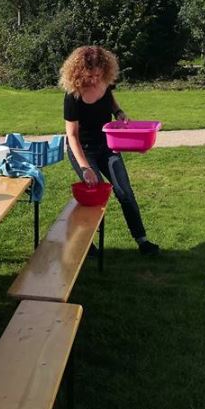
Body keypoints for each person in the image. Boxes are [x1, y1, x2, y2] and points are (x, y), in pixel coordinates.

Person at [59, 45, 159, 256]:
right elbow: (72, 136)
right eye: (90, 75)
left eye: (98, 75)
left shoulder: (105, 82)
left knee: (125, 192)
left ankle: (142, 240)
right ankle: (87, 244)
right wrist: (85, 168)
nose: (95, 80)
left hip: (107, 146)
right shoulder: (73, 96)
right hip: (83, 150)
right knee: (95, 193)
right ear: (78, 72)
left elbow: (110, 100)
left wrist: (119, 112)